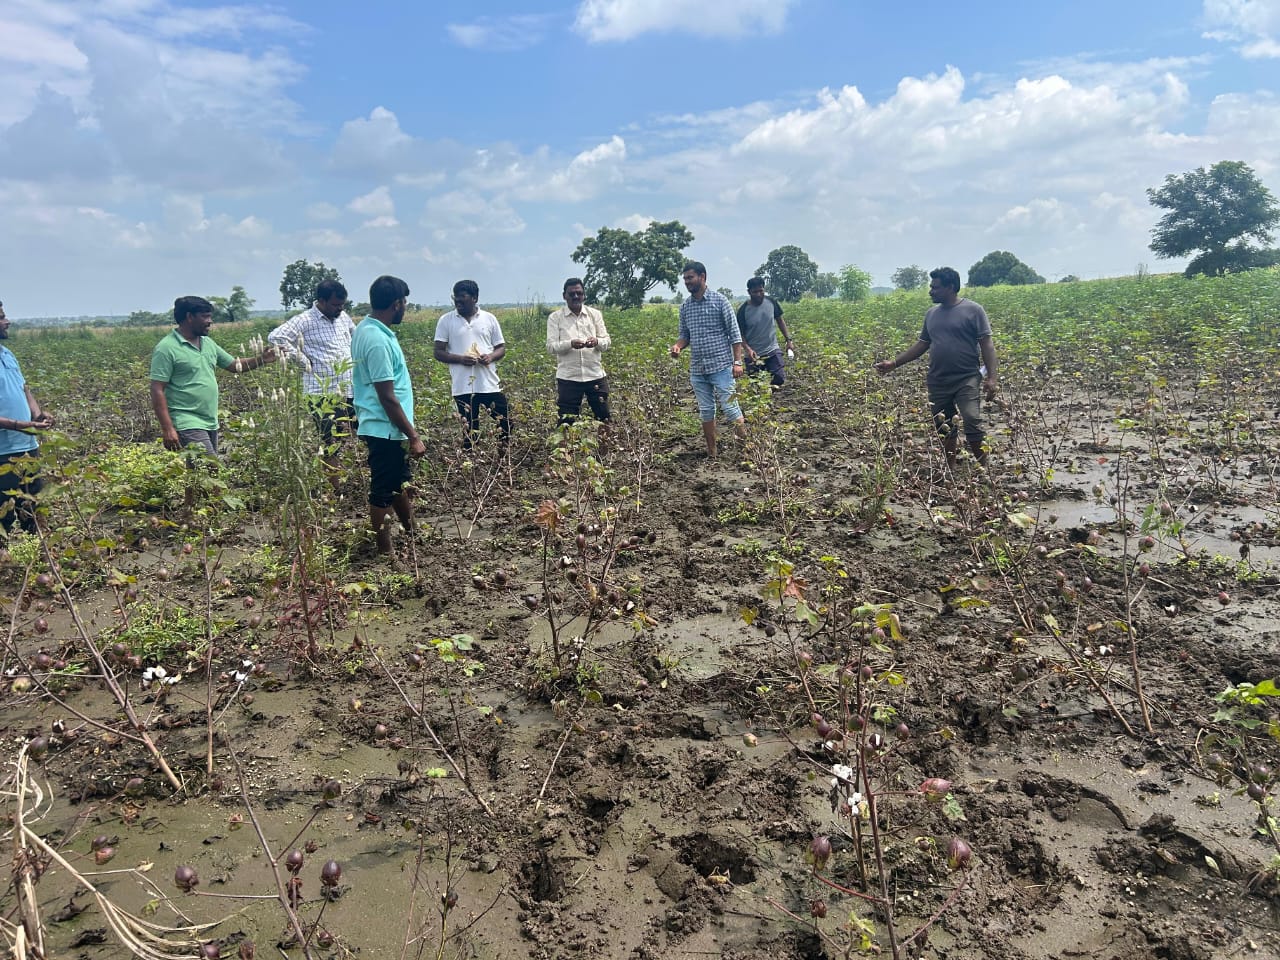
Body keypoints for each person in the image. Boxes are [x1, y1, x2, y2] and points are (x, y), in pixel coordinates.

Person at [874, 266, 999, 467]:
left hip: (966, 377)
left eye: (935, 287)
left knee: (971, 419)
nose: (931, 291)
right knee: (943, 424)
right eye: (931, 287)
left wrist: (992, 378)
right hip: (938, 380)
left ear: (950, 287)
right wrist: (894, 363)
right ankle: (950, 469)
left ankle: (984, 469)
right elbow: (922, 344)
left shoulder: (974, 310)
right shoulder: (931, 314)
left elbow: (987, 344)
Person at [350, 275, 425, 559]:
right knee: (382, 489)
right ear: (396, 304)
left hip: (386, 427)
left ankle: (412, 530)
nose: (405, 307)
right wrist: (413, 436)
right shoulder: (377, 340)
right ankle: (384, 551)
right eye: (404, 302)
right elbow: (387, 396)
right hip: (385, 427)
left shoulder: (367, 329)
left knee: (398, 482)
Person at [149, 296, 276, 457]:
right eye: (205, 316)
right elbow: (157, 389)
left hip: (210, 420)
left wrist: (262, 359)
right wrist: (168, 428)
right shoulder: (166, 348)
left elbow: (234, 365)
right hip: (186, 420)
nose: (210, 321)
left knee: (201, 469)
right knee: (211, 466)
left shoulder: (207, 343)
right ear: (189, 317)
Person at [267, 279, 357, 491]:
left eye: (342, 304)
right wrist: (302, 360)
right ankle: (335, 490)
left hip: (348, 388)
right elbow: (276, 337)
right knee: (331, 441)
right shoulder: (304, 320)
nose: (339, 308)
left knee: (357, 433)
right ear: (321, 301)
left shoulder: (343, 317)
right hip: (321, 394)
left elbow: (356, 336)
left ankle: (352, 482)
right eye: (335, 304)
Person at [669, 261, 747, 457]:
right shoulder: (685, 307)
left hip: (721, 366)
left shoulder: (720, 301)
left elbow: (735, 334)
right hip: (698, 369)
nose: (687, 282)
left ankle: (746, 451)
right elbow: (685, 335)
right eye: (685, 279)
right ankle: (712, 452)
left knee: (730, 408)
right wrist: (678, 346)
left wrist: (737, 362)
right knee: (706, 410)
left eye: (690, 278)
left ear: (702, 277)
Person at [0, 301, 55, 534]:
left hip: (27, 446)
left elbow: (24, 389)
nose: (7, 322)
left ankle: (38, 552)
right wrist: (19, 425)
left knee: (33, 508)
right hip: (3, 453)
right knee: (3, 515)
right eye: (1, 317)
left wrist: (38, 414)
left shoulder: (7, 353)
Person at [433, 280, 509, 447]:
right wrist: (461, 359)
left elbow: (501, 348)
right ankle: (471, 460)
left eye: (462, 297)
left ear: (474, 298)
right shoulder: (446, 320)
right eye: (455, 297)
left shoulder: (489, 319)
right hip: (463, 387)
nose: (457, 301)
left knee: (505, 423)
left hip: (489, 384)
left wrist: (490, 357)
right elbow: (438, 352)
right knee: (469, 432)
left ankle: (502, 458)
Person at [546, 277, 611, 427]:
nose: (576, 297)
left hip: (595, 375)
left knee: (604, 419)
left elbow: (606, 341)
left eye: (579, 293)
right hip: (569, 377)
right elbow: (551, 347)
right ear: (564, 296)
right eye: (571, 294)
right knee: (566, 422)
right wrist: (570, 344)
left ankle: (604, 443)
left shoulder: (595, 315)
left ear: (584, 295)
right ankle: (567, 444)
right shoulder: (555, 318)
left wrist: (596, 341)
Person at [736, 277, 794, 389]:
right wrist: (748, 349)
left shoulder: (771, 302)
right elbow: (739, 335)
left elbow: (780, 321)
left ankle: (770, 393)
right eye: (755, 292)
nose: (758, 294)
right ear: (749, 292)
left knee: (779, 378)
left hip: (772, 349)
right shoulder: (743, 311)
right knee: (756, 387)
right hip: (754, 355)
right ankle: (765, 397)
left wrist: (788, 340)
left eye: (761, 291)